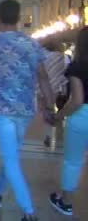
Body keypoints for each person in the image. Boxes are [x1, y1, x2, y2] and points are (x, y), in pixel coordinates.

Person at [0, 0, 54, 221]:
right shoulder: (32, 44)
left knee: (11, 159)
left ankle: (28, 212)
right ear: (19, 18)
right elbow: (44, 77)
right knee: (12, 156)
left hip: (2, 111)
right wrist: (51, 104)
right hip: (26, 109)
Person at [48, 27, 88, 217]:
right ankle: (62, 194)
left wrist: (59, 115)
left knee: (73, 162)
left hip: (82, 118)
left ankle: (66, 202)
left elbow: (77, 100)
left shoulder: (78, 66)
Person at [40, 42, 69, 148]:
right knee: (50, 107)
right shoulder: (61, 57)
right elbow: (64, 71)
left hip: (41, 86)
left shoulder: (42, 55)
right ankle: (50, 129)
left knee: (43, 109)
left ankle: (47, 132)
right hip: (55, 86)